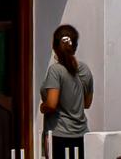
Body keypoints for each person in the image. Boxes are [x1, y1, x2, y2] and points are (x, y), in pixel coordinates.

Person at [40, 24, 92, 159]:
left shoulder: (55, 70)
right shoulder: (85, 69)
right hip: (81, 135)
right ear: (75, 46)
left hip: (59, 135)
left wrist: (42, 107)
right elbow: (86, 104)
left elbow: (51, 103)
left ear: (54, 46)